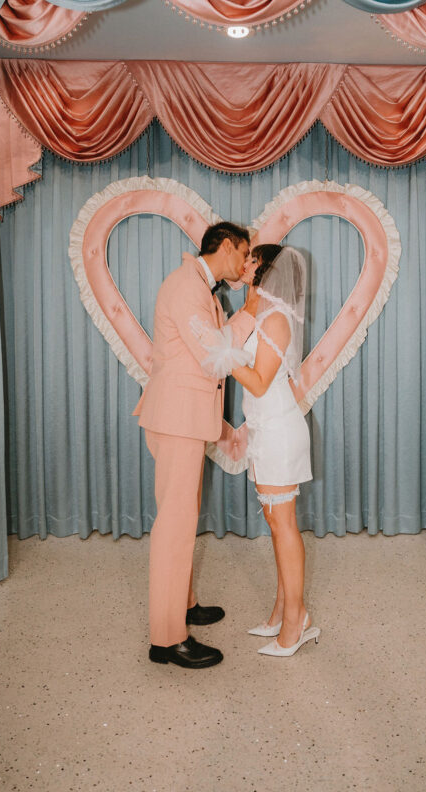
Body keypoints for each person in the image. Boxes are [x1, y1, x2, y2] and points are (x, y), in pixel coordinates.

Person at [134, 222, 255, 670]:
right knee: (175, 526)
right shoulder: (186, 286)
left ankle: (183, 605)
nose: (245, 264)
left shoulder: (200, 287)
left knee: (184, 518)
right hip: (176, 420)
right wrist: (253, 309)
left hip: (186, 420)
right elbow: (214, 353)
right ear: (227, 247)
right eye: (243, 254)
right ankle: (166, 639)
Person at [232, 244, 320, 657]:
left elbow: (259, 381)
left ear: (265, 270)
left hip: (280, 431)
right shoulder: (263, 316)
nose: (244, 264)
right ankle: (282, 610)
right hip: (266, 429)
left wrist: (220, 355)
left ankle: (295, 622)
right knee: (275, 522)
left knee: (283, 526)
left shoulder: (277, 319)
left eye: (251, 259)